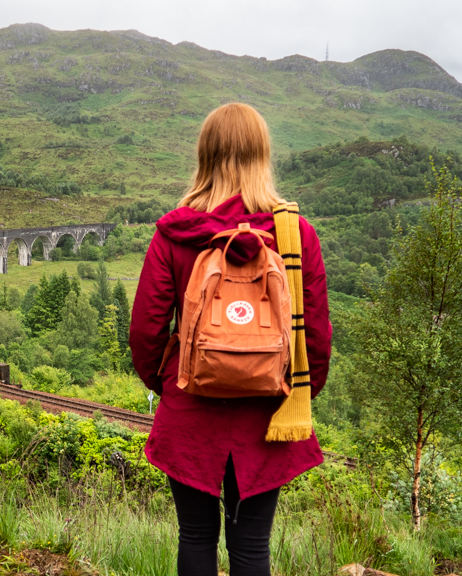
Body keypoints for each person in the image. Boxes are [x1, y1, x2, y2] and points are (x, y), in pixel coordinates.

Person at [129, 102, 332, 576]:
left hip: (191, 407)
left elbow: (146, 330)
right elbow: (316, 335)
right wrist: (295, 393)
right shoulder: (294, 233)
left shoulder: (176, 231)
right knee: (252, 547)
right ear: (263, 155)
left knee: (195, 536)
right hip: (268, 412)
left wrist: (174, 384)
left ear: (205, 155)